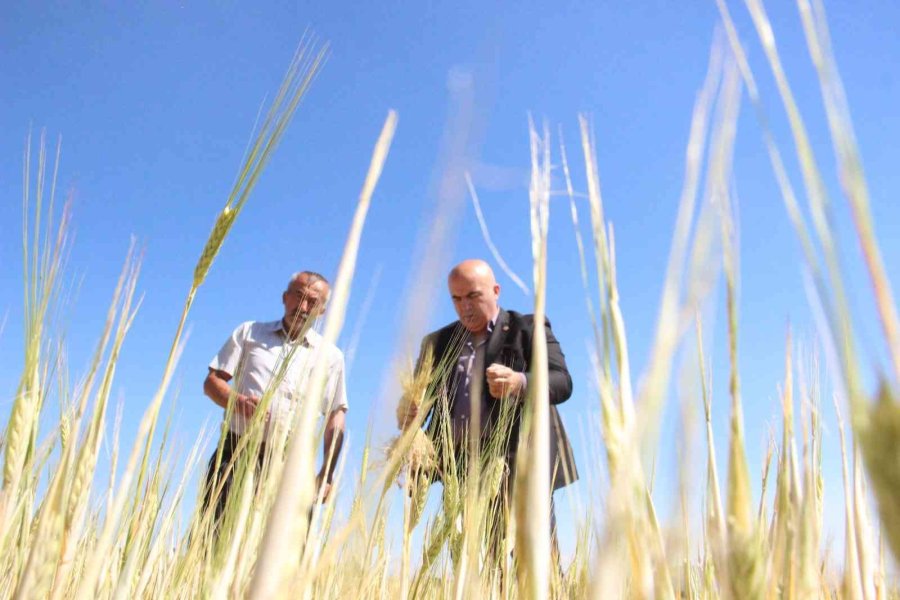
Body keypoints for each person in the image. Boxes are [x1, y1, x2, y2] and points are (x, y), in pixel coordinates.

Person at [399, 258, 577, 555]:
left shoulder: (528, 328)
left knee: (534, 564)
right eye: (456, 298)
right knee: (479, 569)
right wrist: (407, 413)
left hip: (518, 464)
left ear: (495, 290)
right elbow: (419, 405)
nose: (464, 306)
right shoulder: (437, 342)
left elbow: (562, 382)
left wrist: (520, 382)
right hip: (461, 470)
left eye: (473, 296)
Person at [202, 271, 347, 522]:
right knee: (213, 539)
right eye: (298, 297)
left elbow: (336, 414)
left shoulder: (331, 357)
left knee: (286, 554)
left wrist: (327, 471)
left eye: (312, 302)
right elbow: (211, 382)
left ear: (322, 310)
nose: (302, 307)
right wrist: (239, 402)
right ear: (285, 298)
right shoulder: (249, 333)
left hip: (292, 464)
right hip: (236, 452)